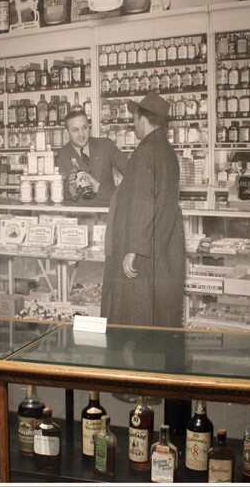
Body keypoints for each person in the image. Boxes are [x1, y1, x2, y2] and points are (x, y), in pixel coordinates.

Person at [101, 92, 185, 327]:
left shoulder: (146, 151)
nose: (133, 124)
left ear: (142, 118)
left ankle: (131, 360)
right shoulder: (165, 149)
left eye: (134, 118)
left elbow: (143, 201)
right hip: (159, 245)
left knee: (135, 311)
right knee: (157, 312)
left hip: (144, 249)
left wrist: (133, 249)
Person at [55, 109, 128, 206]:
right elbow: (58, 195)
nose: (81, 134)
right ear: (66, 133)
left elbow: (133, 172)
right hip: (80, 217)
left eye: (84, 128)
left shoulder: (106, 145)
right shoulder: (61, 156)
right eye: (75, 130)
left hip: (107, 214)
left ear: (89, 128)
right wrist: (71, 191)